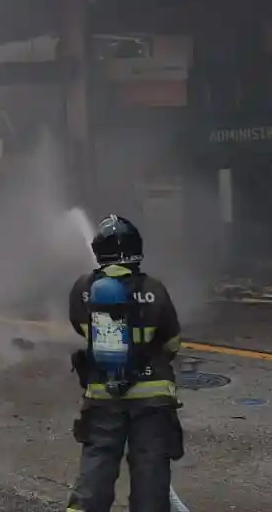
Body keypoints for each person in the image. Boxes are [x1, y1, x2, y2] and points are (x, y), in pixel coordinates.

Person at [65, 215, 185, 512]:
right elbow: (172, 343)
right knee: (150, 468)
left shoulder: (83, 288)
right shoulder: (155, 289)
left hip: (103, 395)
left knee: (97, 463)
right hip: (153, 398)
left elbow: (80, 328)